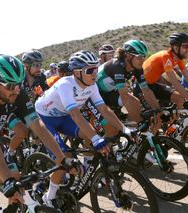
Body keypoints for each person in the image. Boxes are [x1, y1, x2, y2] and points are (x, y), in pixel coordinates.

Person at [0, 55, 75, 213]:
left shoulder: (18, 93)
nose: (16, 90)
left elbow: (38, 126)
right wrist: (7, 180)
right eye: (10, 85)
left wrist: (61, 158)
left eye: (19, 84)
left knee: (15, 176)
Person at [35, 50, 133, 207]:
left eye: (95, 68)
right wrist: (96, 139)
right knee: (64, 157)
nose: (95, 73)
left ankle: (87, 168)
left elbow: (104, 109)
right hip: (45, 118)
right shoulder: (65, 84)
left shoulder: (92, 85)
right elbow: (74, 114)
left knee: (91, 136)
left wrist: (124, 128)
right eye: (90, 70)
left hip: (63, 116)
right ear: (77, 72)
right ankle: (49, 196)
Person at [96, 40, 161, 132]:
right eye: (140, 57)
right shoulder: (117, 66)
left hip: (109, 92)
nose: (143, 60)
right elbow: (125, 97)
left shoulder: (137, 67)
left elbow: (146, 91)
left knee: (136, 102)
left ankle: (131, 129)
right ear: (128, 56)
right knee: (112, 130)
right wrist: (141, 123)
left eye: (144, 57)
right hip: (96, 94)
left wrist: (158, 112)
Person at [143, 32, 188, 109]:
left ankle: (175, 120)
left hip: (153, 84)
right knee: (157, 115)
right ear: (176, 47)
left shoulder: (178, 60)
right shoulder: (166, 56)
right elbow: (173, 80)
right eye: (185, 46)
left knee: (180, 99)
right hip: (142, 86)